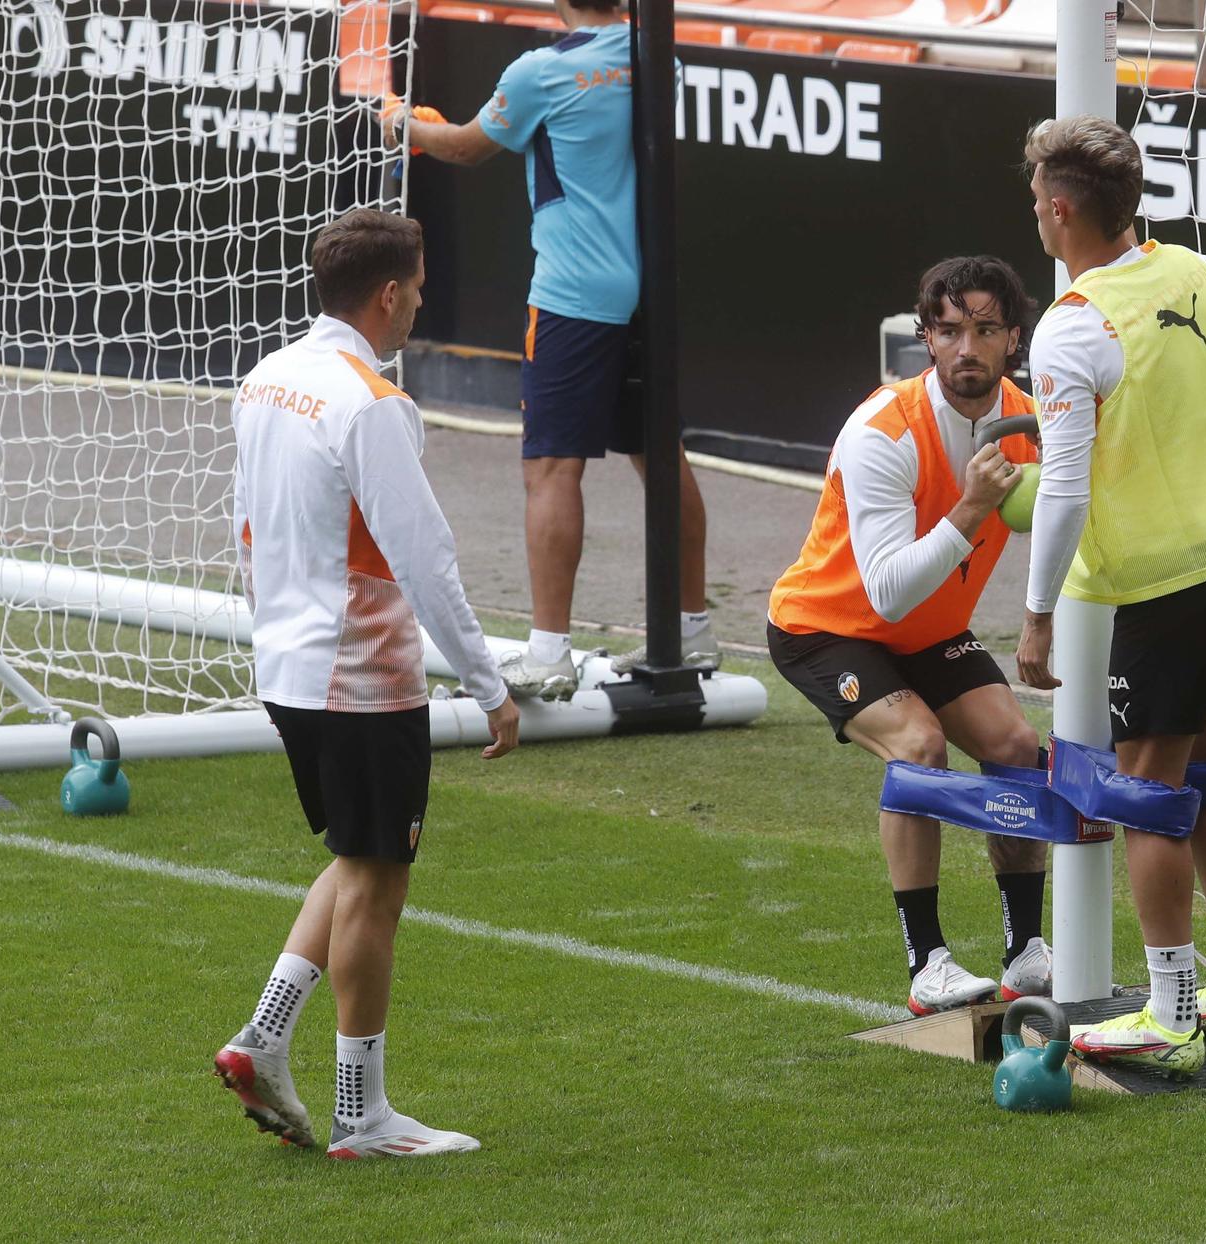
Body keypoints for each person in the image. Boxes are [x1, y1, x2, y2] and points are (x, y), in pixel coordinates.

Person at [215, 208, 522, 1158]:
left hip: (289, 663)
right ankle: (362, 1114)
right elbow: (423, 556)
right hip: (362, 675)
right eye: (419, 290)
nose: (419, 304)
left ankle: (264, 1037)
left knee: (355, 858)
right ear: (390, 293)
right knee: (379, 884)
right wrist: (487, 681)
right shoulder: (371, 401)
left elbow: (244, 522)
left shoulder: (268, 378)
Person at [1016, 116, 1206, 1075]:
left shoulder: (1071, 325)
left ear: (1058, 208)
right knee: (1205, 777)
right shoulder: (1192, 270)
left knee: (1145, 798)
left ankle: (1170, 1016)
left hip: (1174, 583)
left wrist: (1039, 610)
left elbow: (1065, 486)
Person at [381, 0, 715, 701]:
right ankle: (692, 627)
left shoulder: (541, 70)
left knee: (551, 468)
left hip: (573, 292)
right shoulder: (659, 56)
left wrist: (406, 126)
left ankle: (548, 652)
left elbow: (470, 147)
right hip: (649, 285)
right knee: (660, 455)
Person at [767, 256, 1053, 1015]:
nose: (968, 348)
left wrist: (1039, 617)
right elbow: (889, 594)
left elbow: (1074, 526)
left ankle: (1026, 951)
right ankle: (928, 964)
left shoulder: (1034, 419)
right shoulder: (881, 432)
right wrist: (970, 508)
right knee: (920, 747)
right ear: (926, 338)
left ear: (1014, 339)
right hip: (827, 629)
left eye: (986, 330)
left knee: (1019, 750)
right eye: (951, 330)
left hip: (932, 631)